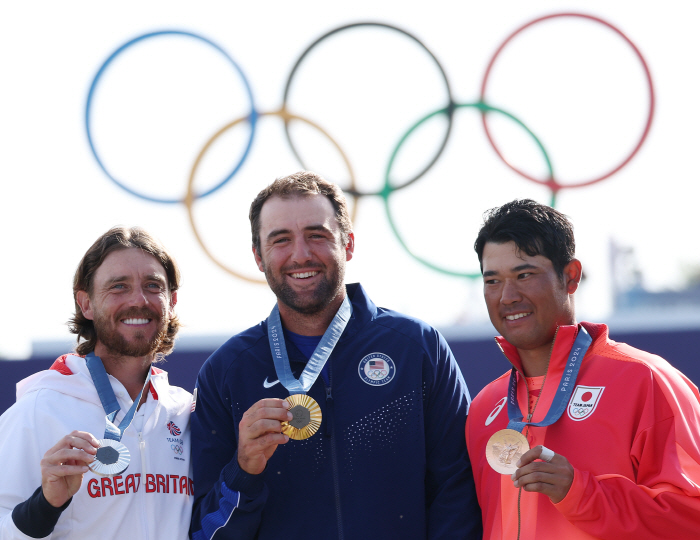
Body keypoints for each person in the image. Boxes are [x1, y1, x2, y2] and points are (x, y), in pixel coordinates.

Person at [190, 171, 481, 539]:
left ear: (348, 244)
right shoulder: (227, 372)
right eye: (280, 240)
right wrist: (243, 470)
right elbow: (203, 530)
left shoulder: (416, 347)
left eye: (317, 235)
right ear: (258, 257)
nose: (301, 254)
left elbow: (458, 492)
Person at [465, 199, 700, 539]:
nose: (507, 296)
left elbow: (691, 518)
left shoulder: (645, 380)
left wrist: (582, 494)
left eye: (524, 275)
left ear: (570, 277)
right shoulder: (485, 406)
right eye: (492, 281)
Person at [0, 227, 194, 539]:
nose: (139, 300)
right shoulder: (41, 408)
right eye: (118, 287)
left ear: (171, 301)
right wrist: (45, 505)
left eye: (152, 285)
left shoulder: (185, 412)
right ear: (86, 303)